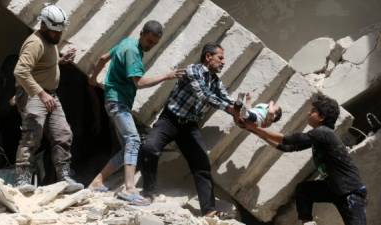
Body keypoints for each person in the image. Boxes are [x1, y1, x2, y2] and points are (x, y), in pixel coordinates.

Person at [88, 20, 185, 205]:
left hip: (114, 100)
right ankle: (130, 188)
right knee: (133, 140)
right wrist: (166, 75)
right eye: (149, 41)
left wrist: (93, 80)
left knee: (127, 147)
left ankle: (97, 181)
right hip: (118, 102)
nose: (150, 46)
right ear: (141, 33)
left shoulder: (127, 42)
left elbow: (102, 58)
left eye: (154, 43)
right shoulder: (133, 52)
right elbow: (138, 83)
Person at [139, 42, 239, 217]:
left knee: (202, 165)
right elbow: (204, 95)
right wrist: (230, 109)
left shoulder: (215, 81)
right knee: (149, 147)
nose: (223, 62)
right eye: (220, 58)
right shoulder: (193, 70)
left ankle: (208, 211)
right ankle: (148, 193)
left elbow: (226, 98)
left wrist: (241, 110)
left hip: (189, 127)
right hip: (169, 120)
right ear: (208, 57)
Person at [242, 94, 367, 225]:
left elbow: (287, 139)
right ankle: (307, 223)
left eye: (313, 111)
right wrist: (256, 132)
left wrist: (255, 128)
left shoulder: (323, 133)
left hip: (350, 191)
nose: (308, 113)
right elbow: (287, 147)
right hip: (333, 188)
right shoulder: (319, 136)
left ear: (322, 117)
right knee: (304, 190)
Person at [13, 4, 83, 194]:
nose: (57, 35)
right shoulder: (34, 43)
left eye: (60, 31)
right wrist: (41, 94)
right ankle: (22, 179)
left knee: (63, 134)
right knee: (32, 134)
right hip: (34, 94)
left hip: (50, 94)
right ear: (43, 26)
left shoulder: (50, 41)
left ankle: (64, 177)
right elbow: (20, 71)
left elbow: (43, 66)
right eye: (54, 32)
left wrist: (61, 61)